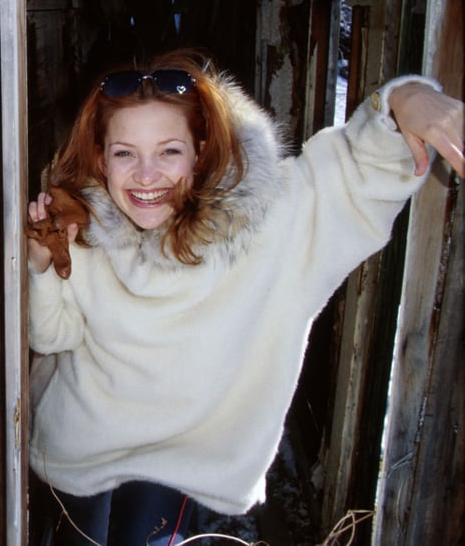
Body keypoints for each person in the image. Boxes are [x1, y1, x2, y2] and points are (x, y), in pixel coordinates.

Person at [24, 49, 463, 546]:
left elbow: (355, 172)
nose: (146, 177)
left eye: (169, 151)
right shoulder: (85, 225)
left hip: (177, 459)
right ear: (103, 158)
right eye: (126, 153)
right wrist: (39, 267)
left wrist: (405, 98)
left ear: (201, 151)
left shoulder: (266, 226)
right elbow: (52, 334)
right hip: (77, 449)